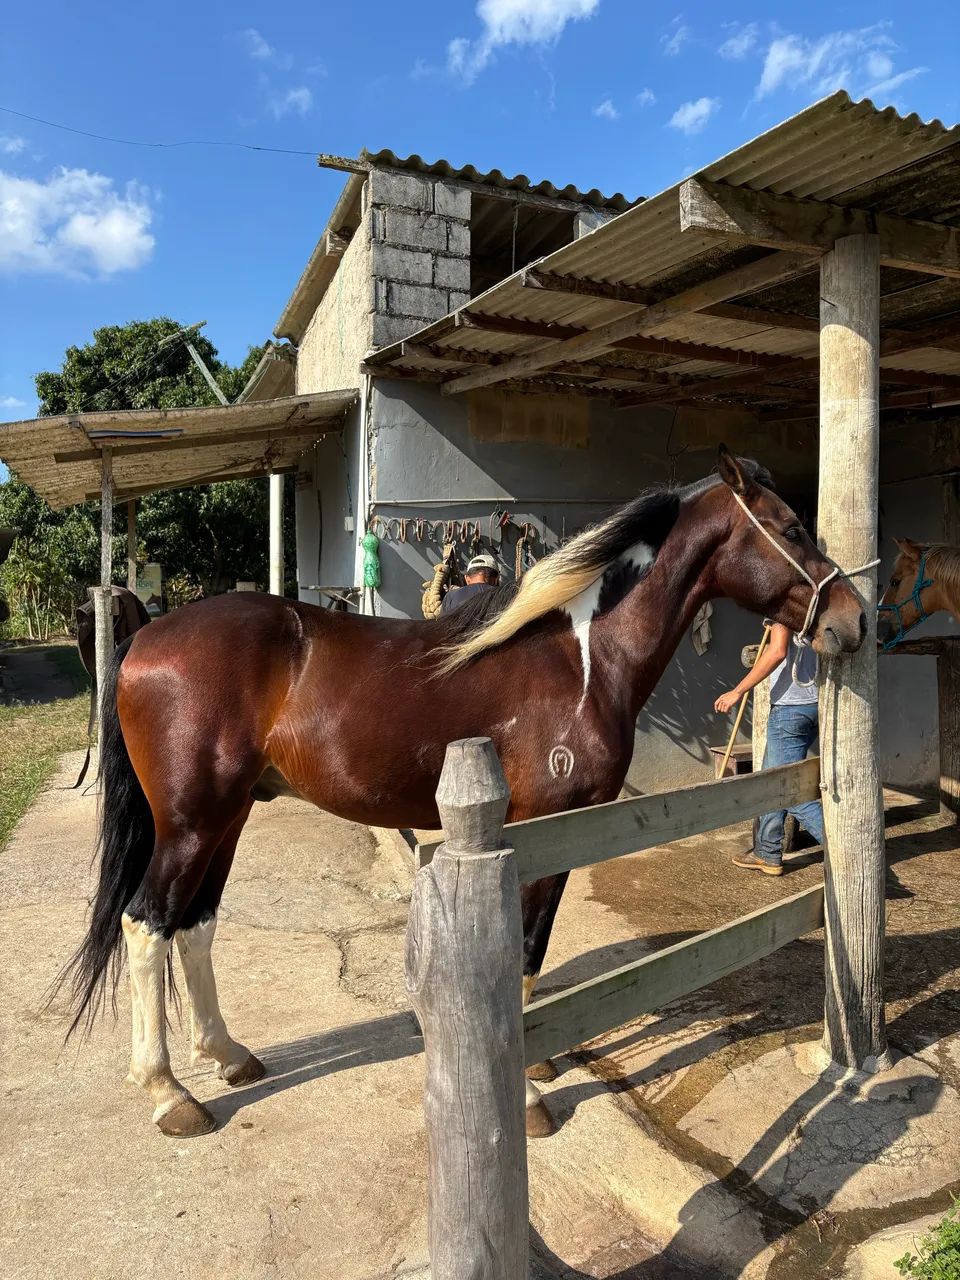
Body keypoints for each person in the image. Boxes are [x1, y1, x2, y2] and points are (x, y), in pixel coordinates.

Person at [713, 622, 824, 876]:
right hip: (814, 703)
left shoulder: (784, 604)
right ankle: (767, 851)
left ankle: (847, 851)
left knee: (787, 792)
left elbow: (777, 651)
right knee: (772, 778)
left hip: (789, 709)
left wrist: (737, 691)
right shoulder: (816, 598)